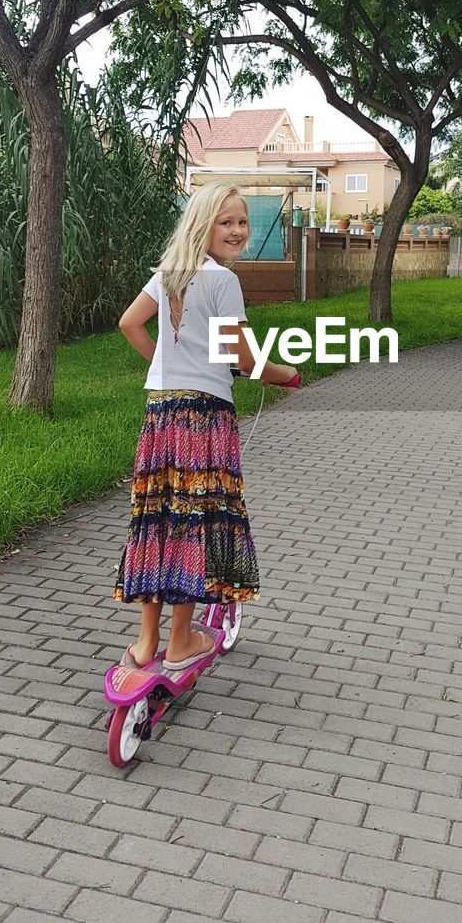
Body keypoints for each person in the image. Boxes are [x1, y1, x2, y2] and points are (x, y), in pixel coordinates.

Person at [114, 182, 297, 671]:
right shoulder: (222, 281)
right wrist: (288, 375)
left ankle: (145, 642)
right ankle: (179, 643)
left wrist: (165, 366)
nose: (238, 231)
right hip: (204, 419)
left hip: (161, 413)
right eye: (227, 222)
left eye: (242, 222)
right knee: (194, 520)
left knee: (158, 518)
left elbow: (129, 323)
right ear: (204, 224)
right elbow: (245, 360)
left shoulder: (169, 274)